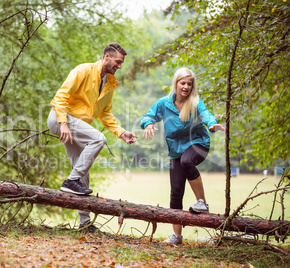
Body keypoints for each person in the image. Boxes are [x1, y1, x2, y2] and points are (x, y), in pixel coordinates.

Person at [47, 43, 137, 232]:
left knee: (82, 173)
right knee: (98, 139)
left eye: (121, 63)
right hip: (60, 118)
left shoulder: (110, 83)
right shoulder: (83, 70)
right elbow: (61, 96)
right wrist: (63, 123)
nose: (120, 66)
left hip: (75, 126)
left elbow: (105, 113)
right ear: (106, 57)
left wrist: (121, 132)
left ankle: (84, 223)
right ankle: (70, 182)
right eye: (117, 62)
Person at [140, 67, 225, 245]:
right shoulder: (164, 103)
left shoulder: (194, 102)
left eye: (189, 84)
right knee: (176, 191)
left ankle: (202, 202)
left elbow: (206, 113)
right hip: (176, 150)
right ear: (176, 84)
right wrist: (148, 124)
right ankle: (177, 236)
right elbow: (148, 116)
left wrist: (212, 123)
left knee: (187, 161)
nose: (186, 87)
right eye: (183, 83)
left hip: (198, 144)